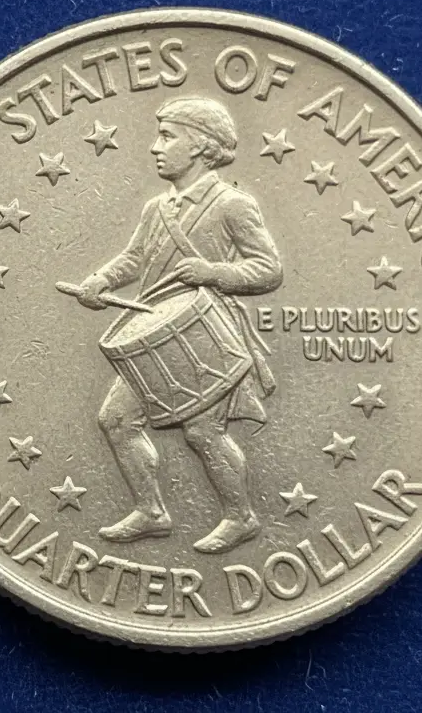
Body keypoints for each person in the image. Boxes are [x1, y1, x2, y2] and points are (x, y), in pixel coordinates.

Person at [70, 96, 282, 554]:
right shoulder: (156, 208)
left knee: (203, 432)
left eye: (168, 136)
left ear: (202, 145)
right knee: (116, 420)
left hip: (206, 335)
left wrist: (213, 272)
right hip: (152, 335)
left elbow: (268, 270)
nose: (155, 147)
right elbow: (134, 258)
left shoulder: (232, 205)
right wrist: (102, 280)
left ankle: (241, 517)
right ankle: (151, 511)